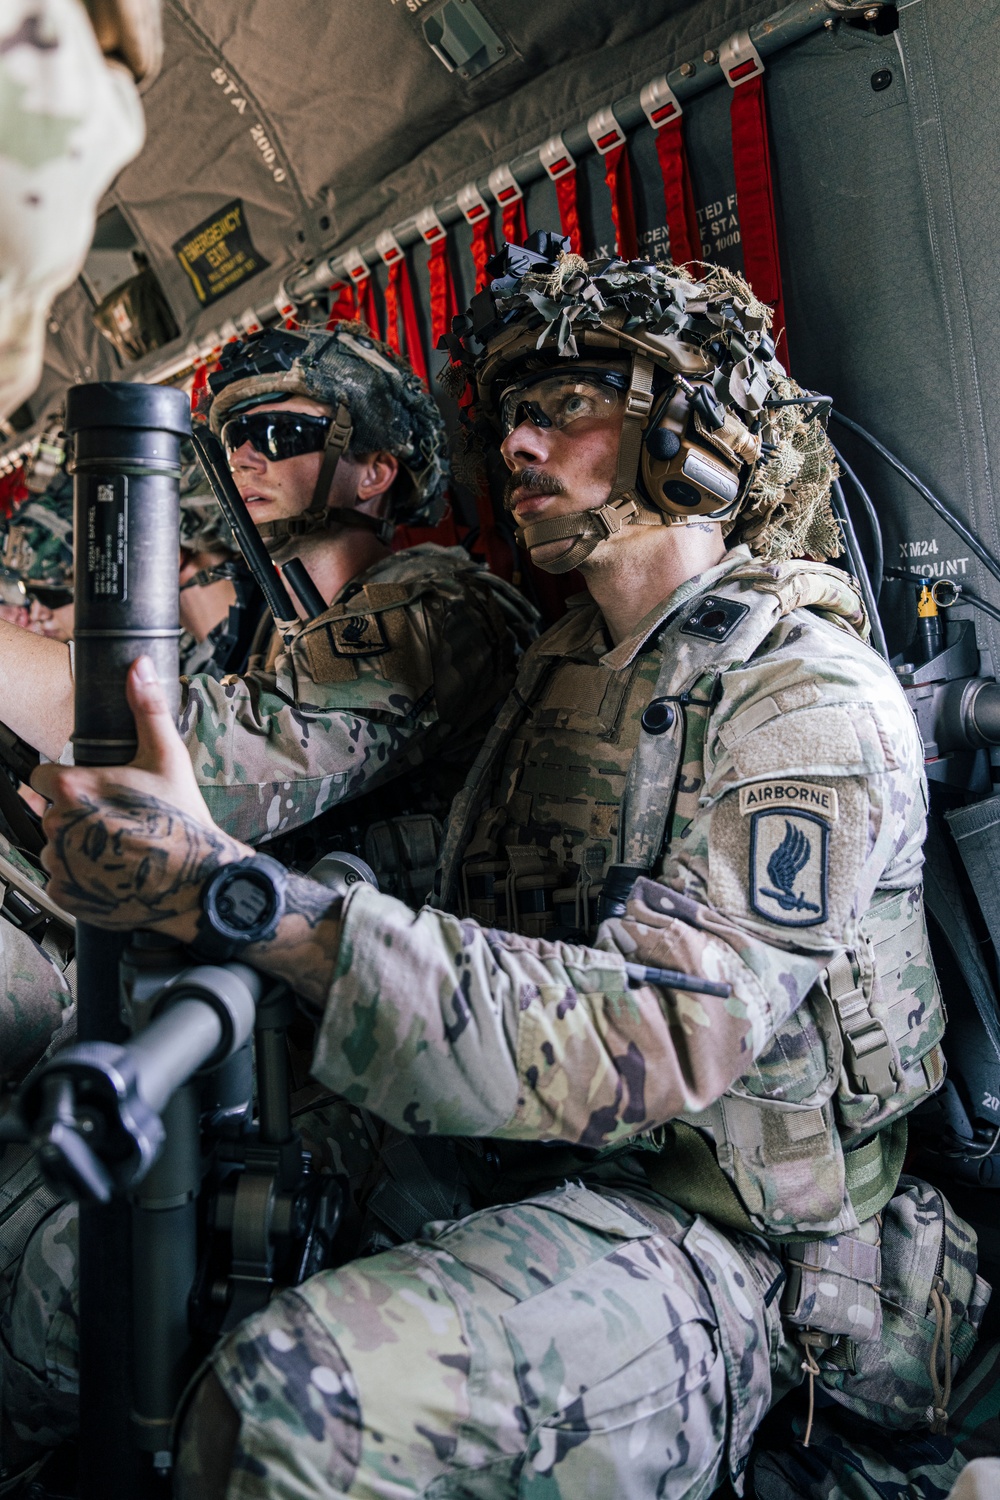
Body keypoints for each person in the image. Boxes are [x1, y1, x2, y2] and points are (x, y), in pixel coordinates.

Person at [26, 244, 989, 1497]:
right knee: (64, 1258)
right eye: (513, 416)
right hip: (515, 1150)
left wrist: (238, 896)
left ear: (694, 439)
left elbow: (659, 1040)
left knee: (300, 1404)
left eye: (569, 405)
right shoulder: (567, 664)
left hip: (719, 1236)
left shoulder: (801, 694)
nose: (519, 447)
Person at [0, 321, 535, 891]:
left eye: (279, 433)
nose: (246, 459)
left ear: (374, 473)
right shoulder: (276, 622)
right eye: (234, 440)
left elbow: (194, 773)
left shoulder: (440, 606)